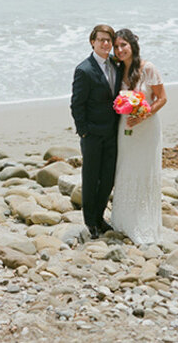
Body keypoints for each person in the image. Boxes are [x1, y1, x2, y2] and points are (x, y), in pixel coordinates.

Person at [110, 28, 167, 245]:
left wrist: (144, 115)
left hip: (147, 127)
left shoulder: (148, 68)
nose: (119, 49)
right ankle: (125, 221)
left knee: (144, 170)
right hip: (125, 128)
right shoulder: (117, 70)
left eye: (123, 45)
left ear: (133, 45)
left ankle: (144, 224)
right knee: (125, 168)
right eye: (116, 46)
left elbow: (162, 98)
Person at [70, 24, 122, 239]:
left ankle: (100, 217)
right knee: (91, 179)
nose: (105, 44)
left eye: (108, 40)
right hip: (92, 134)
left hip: (112, 132)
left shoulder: (116, 65)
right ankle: (90, 222)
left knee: (108, 178)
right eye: (101, 40)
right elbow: (76, 104)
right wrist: (84, 132)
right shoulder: (84, 69)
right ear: (92, 42)